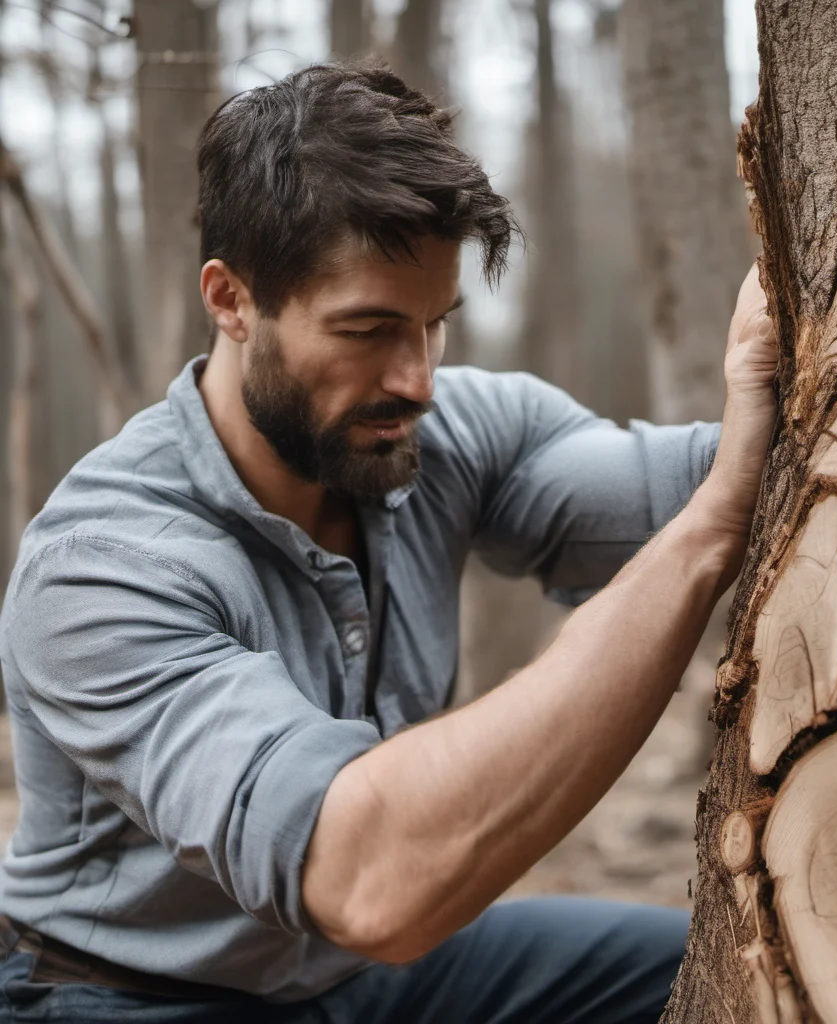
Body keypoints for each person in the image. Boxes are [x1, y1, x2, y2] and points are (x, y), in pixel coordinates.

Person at [0, 62, 777, 1023]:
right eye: (367, 329)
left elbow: (720, 485)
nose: (415, 379)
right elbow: (370, 881)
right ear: (232, 300)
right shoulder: (103, 567)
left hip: (356, 975)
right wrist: (707, 534)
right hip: (133, 995)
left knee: (725, 974)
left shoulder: (432, 434)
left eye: (434, 325)